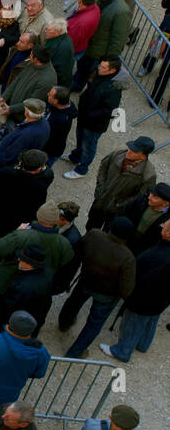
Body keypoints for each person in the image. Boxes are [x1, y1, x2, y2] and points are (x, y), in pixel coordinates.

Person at [56, 217, 137, 358]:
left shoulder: (94, 234)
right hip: (107, 295)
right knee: (94, 324)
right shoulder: (128, 257)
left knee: (73, 302)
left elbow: (79, 252)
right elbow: (126, 289)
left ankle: (64, 323)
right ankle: (75, 352)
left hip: (86, 280)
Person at [104, 220, 170, 363]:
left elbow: (144, 277)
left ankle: (122, 351)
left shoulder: (159, 256)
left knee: (132, 324)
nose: (163, 223)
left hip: (143, 299)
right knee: (151, 321)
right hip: (162, 300)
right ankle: (142, 345)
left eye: (165, 224)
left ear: (168, 234)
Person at [80, 136, 157, 231]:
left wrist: (122, 205)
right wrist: (100, 188)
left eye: (134, 151)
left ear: (143, 156)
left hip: (117, 211)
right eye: (130, 148)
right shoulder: (117, 154)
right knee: (91, 226)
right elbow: (103, 167)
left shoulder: (148, 174)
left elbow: (141, 196)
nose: (128, 152)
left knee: (108, 232)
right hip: (101, 201)